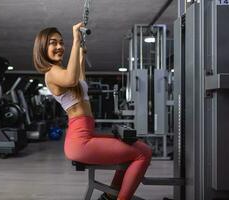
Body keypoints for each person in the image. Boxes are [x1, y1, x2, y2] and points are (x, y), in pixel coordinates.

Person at [33, 22, 152, 200]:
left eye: (61, 42)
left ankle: (110, 196)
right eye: (53, 43)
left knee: (140, 147)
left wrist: (80, 56)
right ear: (42, 47)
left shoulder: (62, 72)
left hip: (87, 134)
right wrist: (75, 40)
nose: (59, 47)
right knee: (143, 153)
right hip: (80, 141)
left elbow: (80, 80)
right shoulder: (51, 73)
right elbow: (72, 79)